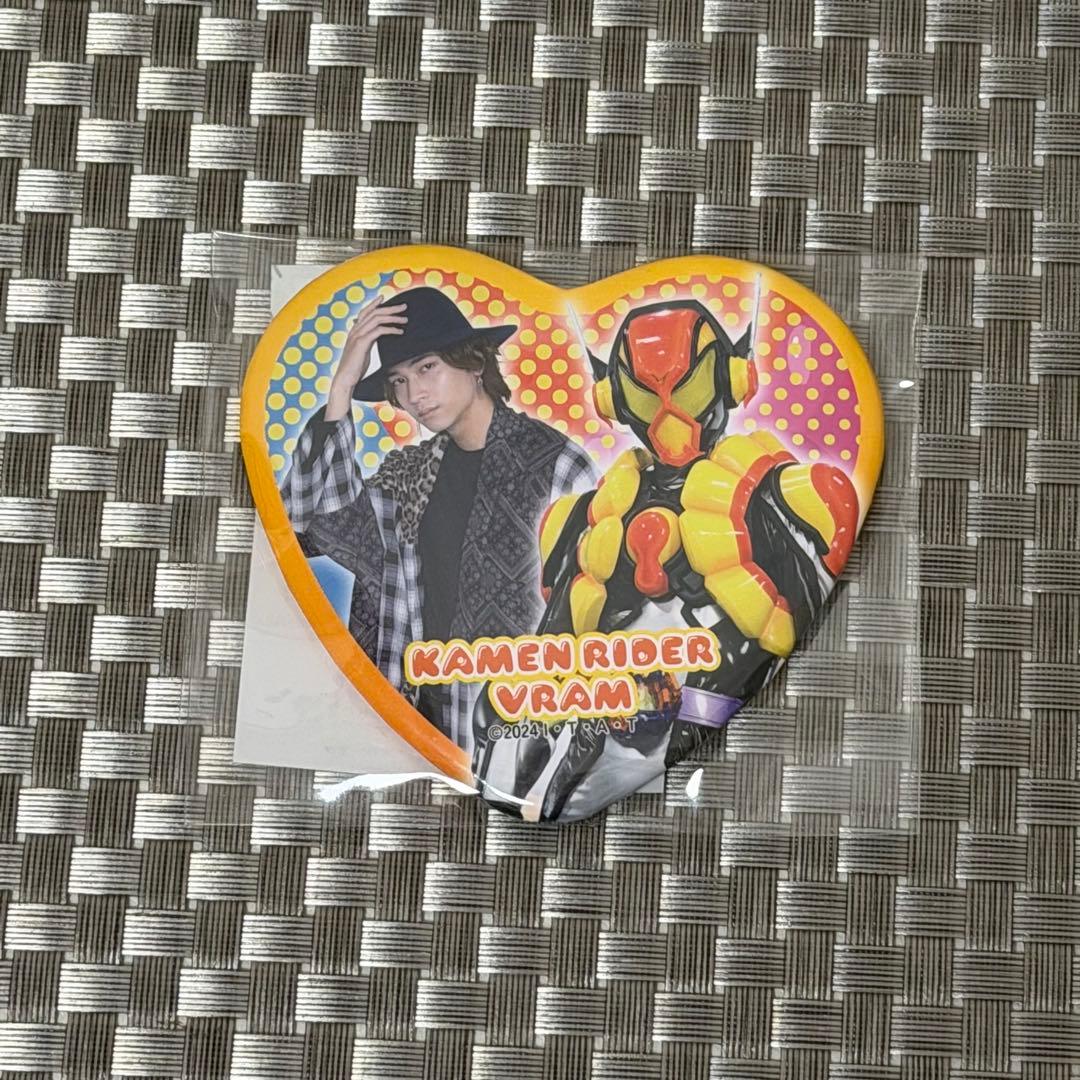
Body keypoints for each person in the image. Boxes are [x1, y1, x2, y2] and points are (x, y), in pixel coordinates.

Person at [280, 285, 596, 751]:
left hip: (517, 725)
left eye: (427, 367)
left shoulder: (557, 465)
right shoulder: (408, 475)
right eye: (399, 381)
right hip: (411, 712)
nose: (415, 395)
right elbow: (307, 518)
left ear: (474, 362)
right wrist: (342, 388)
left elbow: (593, 609)